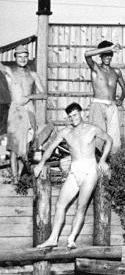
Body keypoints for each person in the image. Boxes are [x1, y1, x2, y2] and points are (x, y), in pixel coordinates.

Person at [34, 103, 112, 249]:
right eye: (70, 116)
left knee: (80, 208)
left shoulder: (92, 129)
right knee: (60, 205)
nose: (73, 118)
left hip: (90, 170)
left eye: (75, 115)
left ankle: (71, 239)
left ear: (80, 113)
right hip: (75, 169)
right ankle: (53, 239)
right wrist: (41, 163)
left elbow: (109, 140)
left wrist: (102, 160)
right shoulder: (65, 132)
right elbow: (50, 149)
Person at [1, 45, 44, 181]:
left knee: (25, 148)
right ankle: (15, 179)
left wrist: (30, 97)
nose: (23, 59)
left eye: (25, 56)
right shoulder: (10, 71)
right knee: (14, 147)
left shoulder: (32, 74)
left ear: (28, 57)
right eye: (19, 56)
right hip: (15, 111)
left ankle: (19, 178)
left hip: (29, 110)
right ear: (15, 58)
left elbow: (44, 94)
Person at [83, 40, 125, 150]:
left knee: (115, 140)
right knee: (97, 138)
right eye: (105, 54)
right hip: (98, 105)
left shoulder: (116, 72)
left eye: (110, 55)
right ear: (101, 55)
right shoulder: (95, 68)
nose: (108, 57)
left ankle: (113, 163)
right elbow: (86, 54)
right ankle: (96, 164)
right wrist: (109, 48)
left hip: (112, 107)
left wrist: (120, 99)